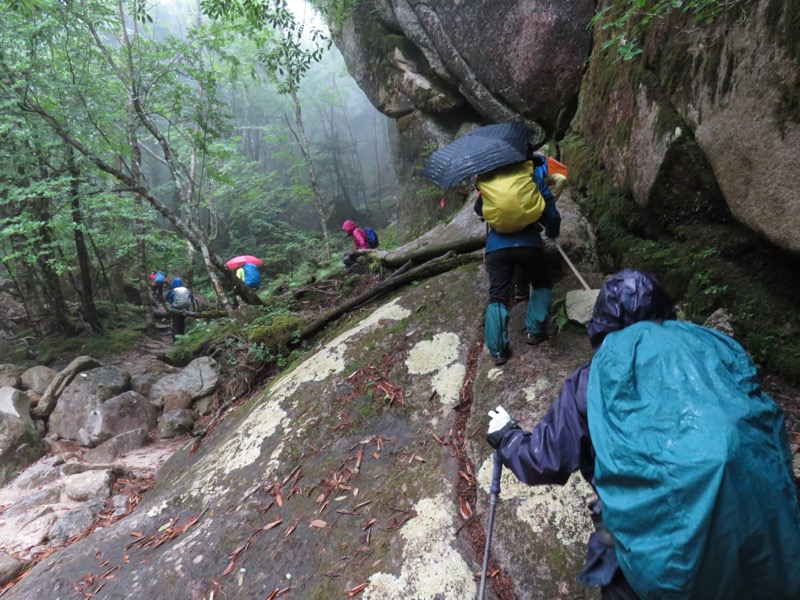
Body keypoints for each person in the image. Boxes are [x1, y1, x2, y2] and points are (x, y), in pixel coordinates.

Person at [485, 269, 800, 599]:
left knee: (625, 566)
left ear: (603, 320)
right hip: (767, 533)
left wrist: (508, 437)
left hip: (667, 566)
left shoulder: (595, 378)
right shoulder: (716, 347)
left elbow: (544, 460)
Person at [476, 154, 561, 365]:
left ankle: (498, 351)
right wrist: (551, 231)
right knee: (541, 283)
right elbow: (551, 213)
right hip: (529, 244)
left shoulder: (490, 182)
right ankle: (535, 330)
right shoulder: (531, 179)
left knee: (497, 296)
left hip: (497, 249)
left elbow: (479, 210)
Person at [165, 277, 193, 341]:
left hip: (176, 309)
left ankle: (175, 339)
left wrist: (171, 303)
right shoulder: (186, 289)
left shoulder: (174, 290)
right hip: (185, 309)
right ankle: (182, 338)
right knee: (182, 324)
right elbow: (191, 298)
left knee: (176, 324)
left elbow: (169, 298)